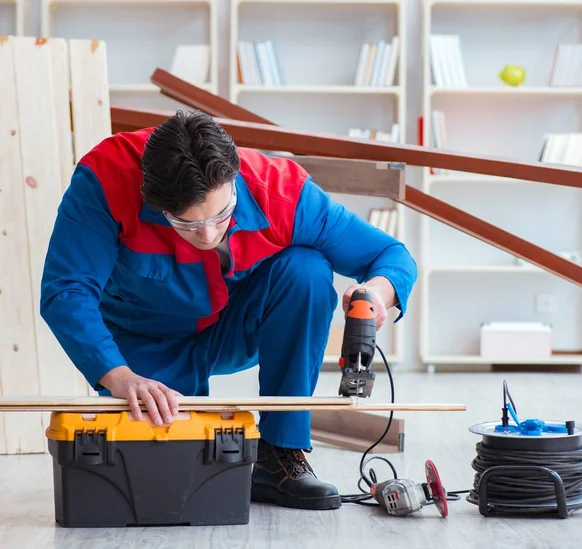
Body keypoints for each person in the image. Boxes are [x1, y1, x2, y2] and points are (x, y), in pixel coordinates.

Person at [40, 110, 418, 511]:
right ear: (152, 197)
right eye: (184, 223)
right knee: (160, 482)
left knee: (307, 270)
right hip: (143, 346)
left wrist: (377, 292)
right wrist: (119, 377)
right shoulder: (105, 179)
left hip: (231, 328)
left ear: (233, 177)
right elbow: (66, 289)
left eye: (221, 215)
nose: (206, 234)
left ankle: (279, 455)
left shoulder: (280, 191)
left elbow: (391, 254)